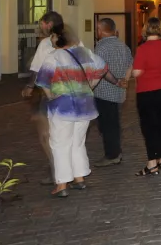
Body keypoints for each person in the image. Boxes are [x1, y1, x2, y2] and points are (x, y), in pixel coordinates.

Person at [34, 22, 107, 197]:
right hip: (85, 106)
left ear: (59, 37)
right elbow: (102, 67)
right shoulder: (86, 53)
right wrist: (90, 85)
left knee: (60, 144)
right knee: (78, 142)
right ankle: (79, 178)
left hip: (63, 107)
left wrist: (51, 95)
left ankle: (61, 184)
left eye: (52, 35)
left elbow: (43, 80)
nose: (50, 38)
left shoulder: (54, 56)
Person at [129, 18, 161, 177]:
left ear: (145, 29)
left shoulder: (143, 49)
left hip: (147, 90)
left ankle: (152, 164)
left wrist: (133, 70)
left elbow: (137, 72)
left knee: (149, 127)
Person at [20, 10, 62, 185]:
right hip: (70, 93)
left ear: (49, 24)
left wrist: (29, 87)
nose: (40, 27)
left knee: (46, 135)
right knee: (62, 134)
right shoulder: (75, 42)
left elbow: (37, 69)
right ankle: (71, 172)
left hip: (50, 94)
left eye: (41, 24)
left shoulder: (45, 44)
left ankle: (57, 169)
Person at [92, 18, 133, 167]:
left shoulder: (100, 48)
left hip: (104, 92)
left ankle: (112, 154)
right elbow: (130, 64)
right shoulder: (123, 46)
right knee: (113, 123)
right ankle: (115, 151)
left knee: (107, 125)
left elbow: (99, 70)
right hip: (119, 93)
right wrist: (125, 81)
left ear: (101, 30)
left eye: (97, 29)